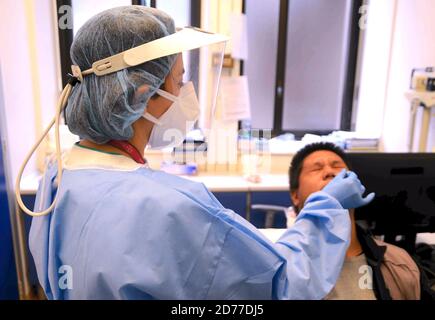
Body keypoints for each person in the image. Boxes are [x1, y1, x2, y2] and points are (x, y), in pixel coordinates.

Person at [23, 6, 373, 300]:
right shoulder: (174, 206)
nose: (185, 91)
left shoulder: (60, 175)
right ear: (143, 95)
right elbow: (280, 283)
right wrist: (327, 206)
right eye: (179, 79)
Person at [288, 142, 421, 300]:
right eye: (316, 168)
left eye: (337, 166)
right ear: (295, 196)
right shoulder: (283, 267)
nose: (329, 172)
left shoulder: (398, 264)